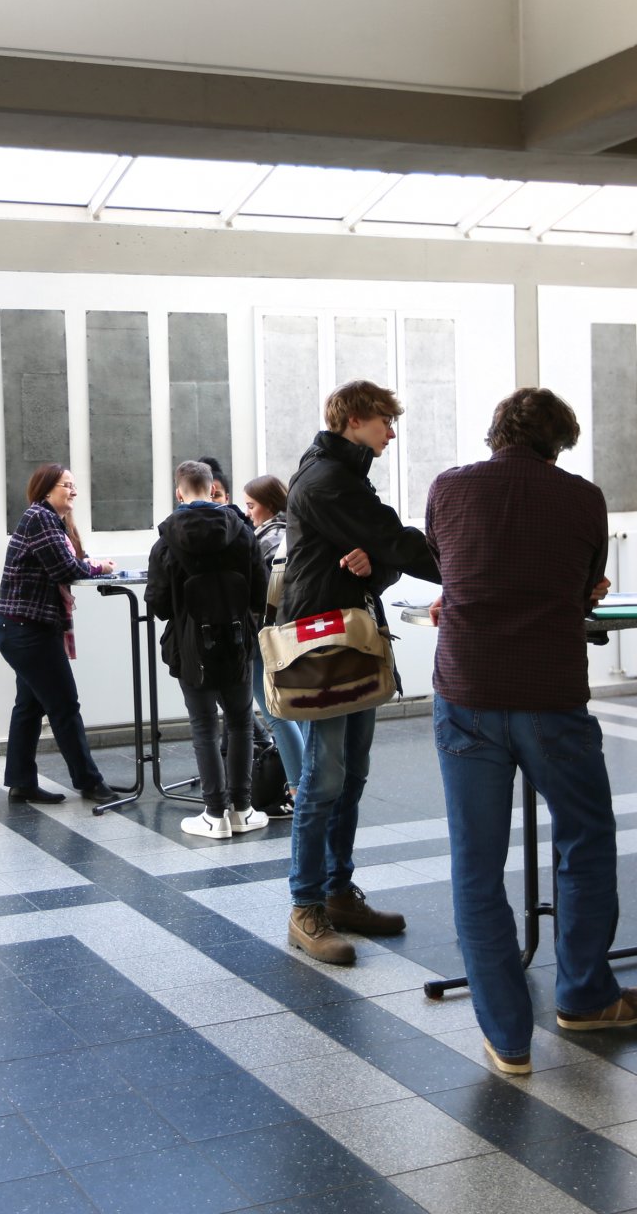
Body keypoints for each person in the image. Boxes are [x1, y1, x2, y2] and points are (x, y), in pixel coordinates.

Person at [426, 388, 637, 1075]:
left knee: (476, 862)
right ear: (560, 442)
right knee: (585, 839)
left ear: (495, 431)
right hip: (552, 697)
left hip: (468, 693)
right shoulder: (583, 499)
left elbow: (454, 569)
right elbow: (585, 586)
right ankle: (585, 996)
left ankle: (508, 1038)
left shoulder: (448, 488)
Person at [279, 380, 439, 965]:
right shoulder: (328, 480)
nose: (391, 432)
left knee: (351, 775)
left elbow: (381, 557)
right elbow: (395, 539)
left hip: (351, 637)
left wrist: (375, 568)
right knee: (324, 778)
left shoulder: (341, 478)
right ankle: (306, 906)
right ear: (353, 420)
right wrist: (470, 568)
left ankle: (339, 892)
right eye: (383, 421)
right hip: (324, 646)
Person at [147, 461, 268, 837]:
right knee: (240, 722)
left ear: (179, 492)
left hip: (191, 647)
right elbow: (260, 591)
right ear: (213, 487)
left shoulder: (167, 541)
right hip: (237, 642)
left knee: (203, 726)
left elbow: (160, 604)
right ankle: (243, 809)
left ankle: (214, 815)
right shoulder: (242, 532)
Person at [0, 463, 120, 806]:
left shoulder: (50, 521)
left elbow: (69, 560)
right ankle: (90, 783)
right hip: (27, 631)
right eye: (67, 485)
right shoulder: (40, 518)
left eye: (74, 485)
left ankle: (21, 783)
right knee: (64, 706)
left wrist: (90, 564)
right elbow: (66, 567)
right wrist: (99, 567)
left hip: (20, 628)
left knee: (30, 706)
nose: (74, 490)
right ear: (46, 489)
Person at [241, 473, 306, 804]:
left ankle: (298, 786)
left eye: (251, 505)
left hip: (262, 636)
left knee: (275, 714)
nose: (247, 511)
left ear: (266, 505)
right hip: (287, 635)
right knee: (294, 713)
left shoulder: (266, 540)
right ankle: (307, 783)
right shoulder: (292, 533)